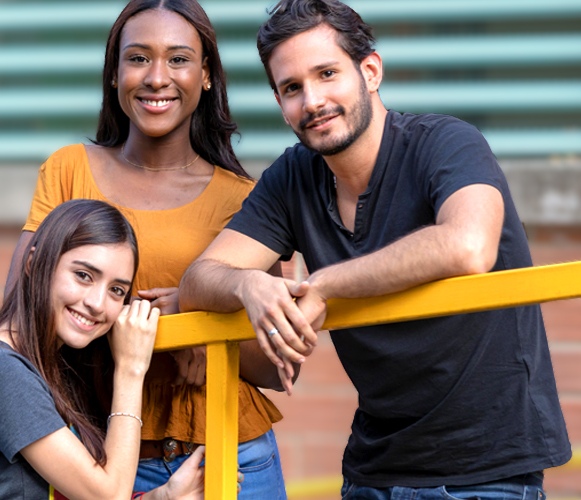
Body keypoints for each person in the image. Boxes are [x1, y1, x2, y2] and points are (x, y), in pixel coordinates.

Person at [178, 0, 571, 498]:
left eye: (327, 74)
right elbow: (199, 279)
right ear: (279, 103)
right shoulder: (293, 177)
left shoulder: (447, 143)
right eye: (292, 88)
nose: (313, 101)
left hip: (484, 472)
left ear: (370, 70)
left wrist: (324, 283)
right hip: (373, 474)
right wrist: (250, 283)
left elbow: (469, 246)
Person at [4, 1, 288, 497]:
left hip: (225, 458)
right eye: (138, 58)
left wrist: (205, 325)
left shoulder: (243, 198)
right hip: (98, 456)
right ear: (114, 76)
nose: (157, 77)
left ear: (205, 77)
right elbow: (22, 319)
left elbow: (278, 366)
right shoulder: (69, 169)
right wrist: (162, 334)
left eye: (178, 59)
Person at [0, 199, 214, 500]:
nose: (97, 303)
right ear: (33, 264)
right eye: (83, 275)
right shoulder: (1, 371)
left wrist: (162, 497)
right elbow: (108, 496)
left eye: (116, 290)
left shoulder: (54, 368)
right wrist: (131, 368)